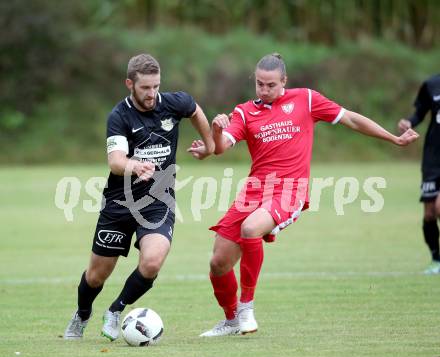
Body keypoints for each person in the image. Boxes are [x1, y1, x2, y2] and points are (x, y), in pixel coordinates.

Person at [196, 53, 419, 337]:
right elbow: (221, 148)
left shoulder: (306, 100)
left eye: (271, 85)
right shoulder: (243, 112)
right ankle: (230, 322)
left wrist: (393, 138)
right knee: (218, 262)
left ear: (284, 82)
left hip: (290, 190)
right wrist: (215, 132)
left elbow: (350, 118)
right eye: (260, 84)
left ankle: (246, 308)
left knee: (251, 228)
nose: (264, 90)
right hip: (254, 190)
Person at [64, 53, 214, 340]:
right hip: (120, 202)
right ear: (129, 84)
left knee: (152, 261)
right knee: (96, 275)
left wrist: (209, 146)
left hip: (159, 200)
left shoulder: (173, 103)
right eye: (145, 87)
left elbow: (195, 110)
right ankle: (82, 314)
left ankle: (116, 310)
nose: (152, 94)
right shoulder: (119, 116)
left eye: (156, 86)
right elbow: (115, 161)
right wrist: (134, 166)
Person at [398, 74, 440, 275]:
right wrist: (409, 122)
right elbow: (420, 113)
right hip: (433, 158)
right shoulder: (432, 85)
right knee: (430, 213)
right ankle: (436, 259)